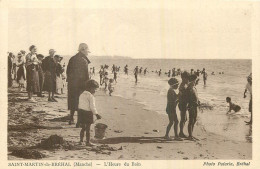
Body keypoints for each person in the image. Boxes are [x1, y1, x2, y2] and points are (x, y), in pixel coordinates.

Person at [67, 43, 91, 125]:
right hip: (81, 84)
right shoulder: (84, 60)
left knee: (72, 101)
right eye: (87, 51)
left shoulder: (72, 58)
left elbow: (68, 71)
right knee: (80, 102)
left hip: (72, 84)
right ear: (83, 50)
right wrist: (88, 85)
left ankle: (71, 119)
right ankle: (78, 122)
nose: (88, 53)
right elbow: (86, 75)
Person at [78, 79, 101, 146]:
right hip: (87, 113)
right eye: (94, 89)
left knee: (83, 128)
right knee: (88, 128)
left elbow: (80, 104)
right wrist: (96, 114)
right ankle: (87, 142)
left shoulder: (82, 94)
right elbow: (92, 107)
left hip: (81, 112)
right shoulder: (91, 96)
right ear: (90, 88)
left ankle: (81, 140)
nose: (95, 91)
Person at [187, 74, 200, 141]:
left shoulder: (194, 87)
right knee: (191, 120)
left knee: (194, 119)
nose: (196, 81)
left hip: (195, 105)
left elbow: (196, 96)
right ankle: (190, 135)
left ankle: (191, 134)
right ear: (192, 80)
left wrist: (198, 101)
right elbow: (188, 98)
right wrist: (192, 104)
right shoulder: (189, 88)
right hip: (191, 105)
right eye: (195, 80)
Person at [178, 71, 190, 138]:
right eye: (187, 78)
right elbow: (181, 96)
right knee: (183, 118)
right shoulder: (182, 85)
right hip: (182, 103)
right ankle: (181, 132)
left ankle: (181, 132)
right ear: (184, 78)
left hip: (183, 103)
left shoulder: (184, 84)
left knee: (184, 118)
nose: (188, 80)